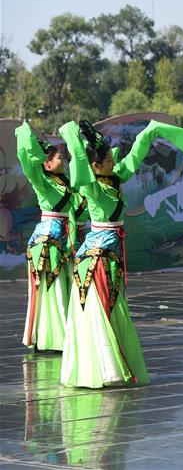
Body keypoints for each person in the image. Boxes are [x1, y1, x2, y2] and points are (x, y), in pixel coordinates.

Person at [58, 119, 183, 388]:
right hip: (95, 258)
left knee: (113, 308)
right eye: (107, 161)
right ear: (95, 166)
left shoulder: (115, 177)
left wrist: (151, 132)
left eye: (111, 160)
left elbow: (134, 156)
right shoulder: (92, 187)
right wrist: (76, 137)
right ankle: (100, 369)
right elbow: (82, 168)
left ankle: (113, 367)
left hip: (110, 255)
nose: (113, 163)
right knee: (99, 311)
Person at [17, 121, 87, 351]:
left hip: (63, 240)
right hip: (46, 241)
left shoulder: (65, 185)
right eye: (59, 158)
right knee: (53, 289)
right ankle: (56, 337)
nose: (63, 162)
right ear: (47, 164)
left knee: (62, 288)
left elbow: (78, 208)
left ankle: (60, 334)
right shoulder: (42, 182)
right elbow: (29, 161)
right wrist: (34, 142)